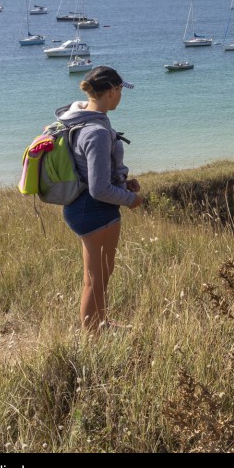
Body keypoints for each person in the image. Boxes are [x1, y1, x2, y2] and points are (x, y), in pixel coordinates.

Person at [58, 65, 144, 332]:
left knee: (98, 276)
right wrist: (131, 200)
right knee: (96, 280)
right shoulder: (95, 132)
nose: (121, 96)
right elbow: (99, 189)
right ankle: (92, 338)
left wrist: (123, 181)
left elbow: (91, 172)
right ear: (110, 91)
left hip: (82, 207)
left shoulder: (80, 117)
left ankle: (100, 322)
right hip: (95, 210)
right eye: (119, 90)